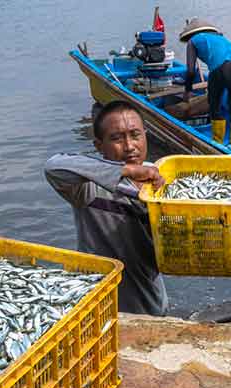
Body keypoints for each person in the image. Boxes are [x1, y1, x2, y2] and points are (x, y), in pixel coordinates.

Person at [44, 100, 168, 316]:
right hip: (102, 307)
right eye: (117, 138)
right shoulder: (87, 187)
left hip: (152, 302)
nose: (129, 146)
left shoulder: (160, 176)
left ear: (145, 136)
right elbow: (53, 167)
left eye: (135, 134)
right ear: (99, 146)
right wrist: (125, 171)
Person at [179, 18, 231, 145]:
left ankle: (217, 143)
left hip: (220, 67)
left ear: (190, 34)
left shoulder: (192, 42)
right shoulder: (219, 37)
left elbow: (191, 71)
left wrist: (187, 91)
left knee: (214, 105)